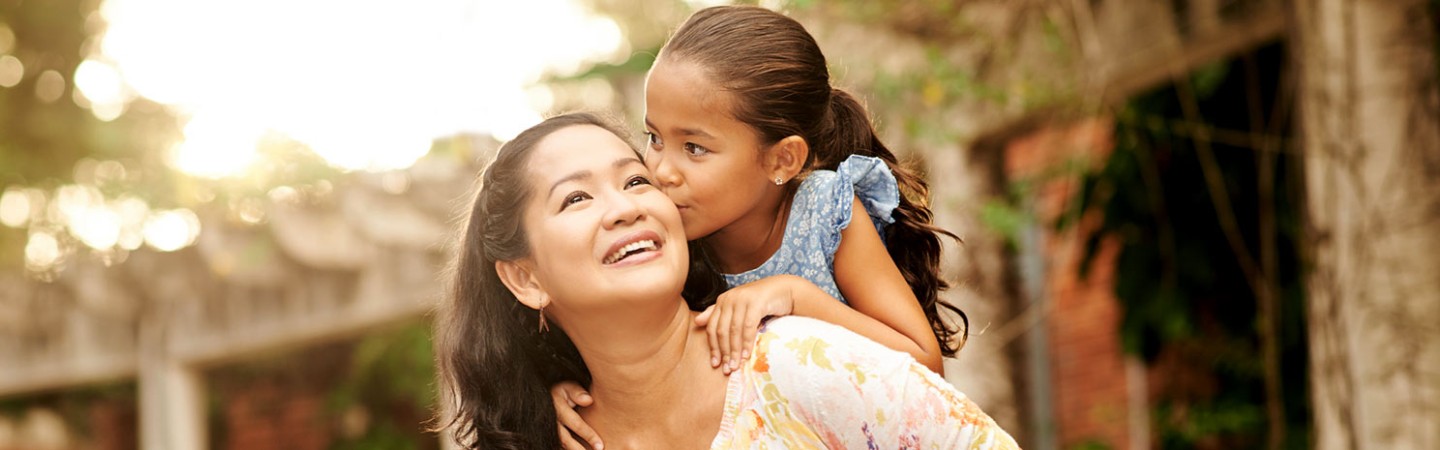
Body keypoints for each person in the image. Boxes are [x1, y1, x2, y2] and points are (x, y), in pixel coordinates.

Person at [435, 112, 1017, 449]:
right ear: (524, 278)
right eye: (577, 197)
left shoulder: (799, 363)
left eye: (637, 182)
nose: (624, 208)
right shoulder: (557, 437)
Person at [554, 6, 970, 448]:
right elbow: (618, 332)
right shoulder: (669, 241)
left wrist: (795, 296)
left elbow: (923, 368)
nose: (661, 169)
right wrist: (571, 389)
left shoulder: (823, 212)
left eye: (693, 148)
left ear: (781, 160)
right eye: (654, 138)